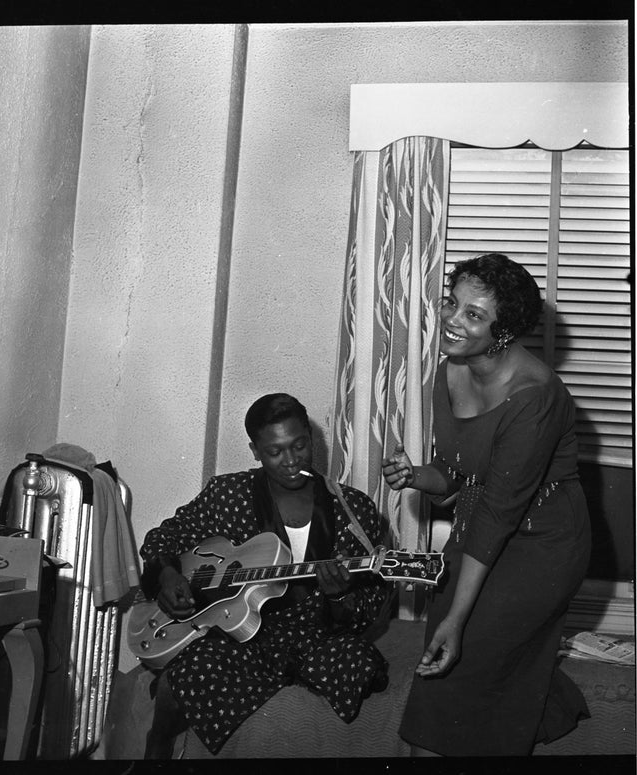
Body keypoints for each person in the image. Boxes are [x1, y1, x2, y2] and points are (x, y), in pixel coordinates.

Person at [382, 253, 591, 756]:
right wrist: (417, 477)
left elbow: (501, 511)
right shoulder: (448, 370)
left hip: (541, 543)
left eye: (474, 314)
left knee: (461, 647)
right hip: (481, 526)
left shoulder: (533, 395)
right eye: (453, 303)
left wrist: (457, 618)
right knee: (462, 662)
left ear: (503, 331)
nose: (453, 319)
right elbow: (455, 476)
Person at [138, 393, 390, 758]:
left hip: (317, 636)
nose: (291, 461)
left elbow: (368, 606)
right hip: (242, 638)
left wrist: (339, 596)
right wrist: (166, 575)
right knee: (186, 677)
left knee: (361, 666)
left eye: (300, 445)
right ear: (255, 451)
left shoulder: (354, 509)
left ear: (311, 438)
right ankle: (157, 744)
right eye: (275, 452)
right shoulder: (228, 494)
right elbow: (165, 537)